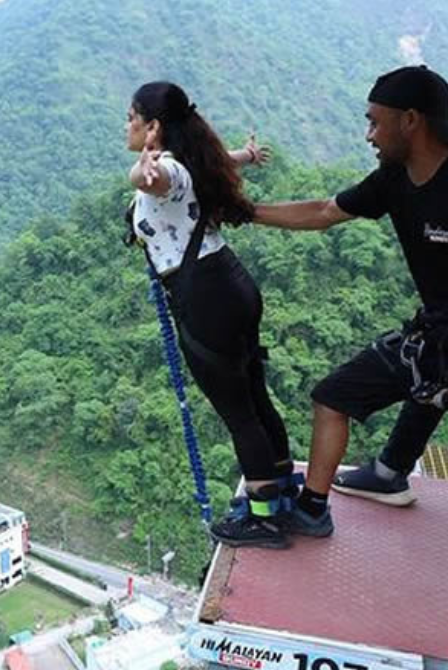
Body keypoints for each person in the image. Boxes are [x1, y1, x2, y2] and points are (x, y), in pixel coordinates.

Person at [253, 65, 448, 536]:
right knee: (409, 373)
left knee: (408, 380)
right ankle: (380, 478)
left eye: (375, 122)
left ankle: (335, 499)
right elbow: (323, 212)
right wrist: (245, 211)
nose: (368, 135)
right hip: (439, 331)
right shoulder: (391, 180)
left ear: (410, 121)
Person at [125, 81, 295, 549]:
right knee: (254, 394)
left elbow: (160, 180)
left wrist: (141, 176)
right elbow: (217, 162)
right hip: (231, 283)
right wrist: (244, 154)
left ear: (153, 126)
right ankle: (281, 490)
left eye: (131, 118)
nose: (126, 126)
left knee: (237, 412)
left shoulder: (169, 168)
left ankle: (263, 518)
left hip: (204, 297)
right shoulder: (198, 157)